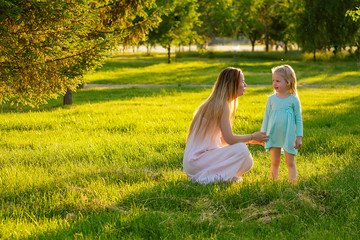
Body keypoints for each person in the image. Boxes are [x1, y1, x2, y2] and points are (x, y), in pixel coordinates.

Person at [183, 67, 268, 184]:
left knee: (247, 160)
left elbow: (223, 140)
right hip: (197, 161)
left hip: (195, 162)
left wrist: (251, 141)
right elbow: (230, 139)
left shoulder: (217, 103)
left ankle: (219, 177)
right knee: (241, 149)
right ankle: (204, 179)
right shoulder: (221, 105)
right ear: (232, 84)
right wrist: (252, 136)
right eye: (242, 81)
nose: (245, 85)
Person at [261, 65, 303, 181]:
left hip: (288, 136)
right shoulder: (271, 99)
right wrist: (263, 133)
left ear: (288, 82)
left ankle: (292, 183)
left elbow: (298, 119)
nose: (275, 84)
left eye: (278, 81)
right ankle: (273, 183)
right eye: (273, 81)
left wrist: (299, 137)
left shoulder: (293, 100)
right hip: (273, 134)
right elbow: (266, 117)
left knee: (290, 162)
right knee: (275, 161)